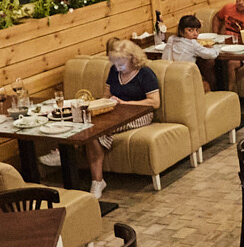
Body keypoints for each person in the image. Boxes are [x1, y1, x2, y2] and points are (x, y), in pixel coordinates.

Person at [84, 36, 161, 196]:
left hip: (139, 114)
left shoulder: (145, 73)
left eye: (121, 64)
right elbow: (106, 95)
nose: (118, 68)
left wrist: (125, 103)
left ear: (133, 59)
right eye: (115, 64)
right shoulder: (114, 71)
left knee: (95, 132)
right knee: (87, 124)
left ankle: (96, 180)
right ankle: (94, 178)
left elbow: (154, 103)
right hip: (115, 112)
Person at [164, 12, 213, 93]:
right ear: (181, 31)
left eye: (197, 30)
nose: (195, 34)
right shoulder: (192, 43)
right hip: (184, 76)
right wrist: (214, 49)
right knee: (206, 84)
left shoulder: (171, 39)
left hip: (168, 75)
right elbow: (211, 54)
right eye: (190, 30)